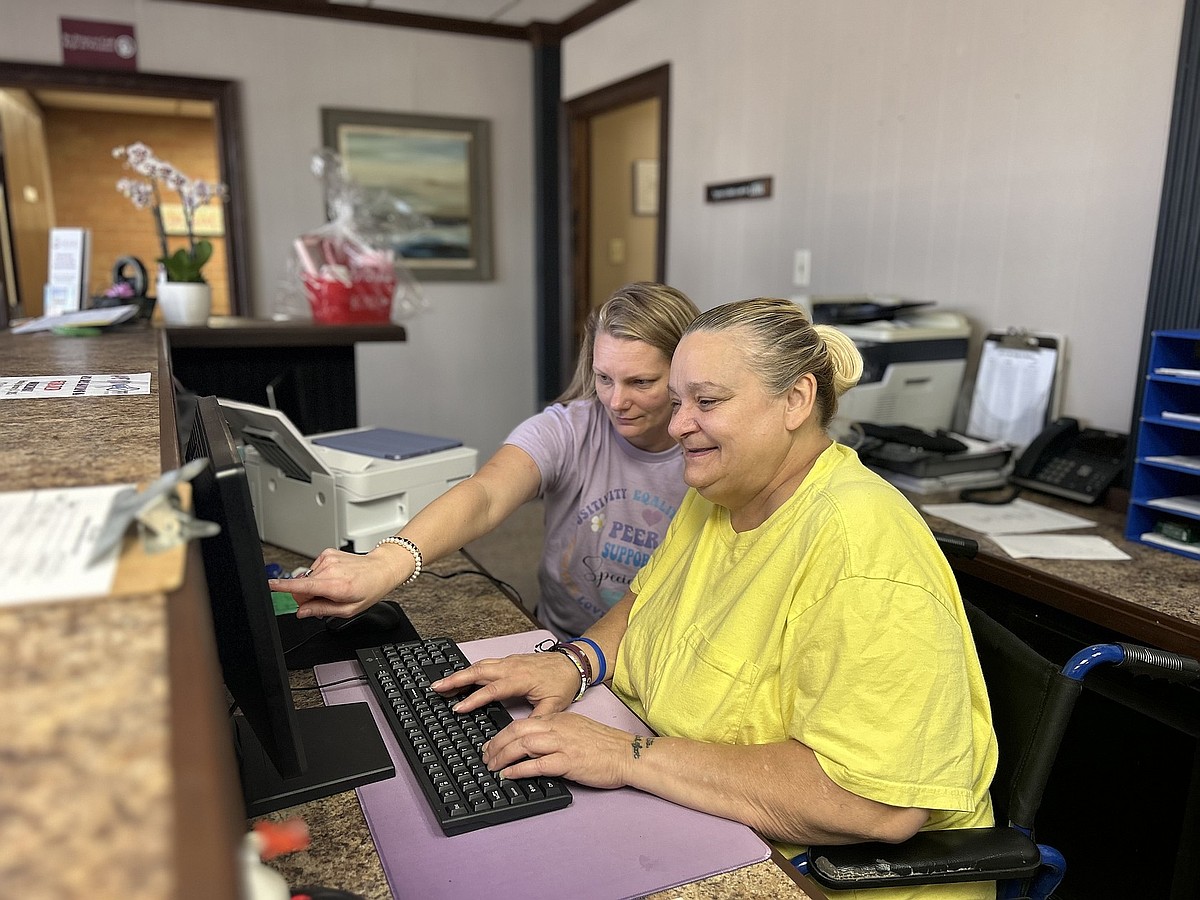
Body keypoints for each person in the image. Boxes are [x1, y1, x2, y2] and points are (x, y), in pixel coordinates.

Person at [434, 297, 999, 900]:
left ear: (796, 400)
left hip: (809, 875)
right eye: (678, 402)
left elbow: (872, 804)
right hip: (696, 809)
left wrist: (627, 756)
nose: (678, 424)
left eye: (706, 402)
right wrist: (576, 660)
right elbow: (647, 602)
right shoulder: (720, 494)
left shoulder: (861, 553)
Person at [274, 282, 700, 638]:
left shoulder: (708, 451)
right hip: (562, 637)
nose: (617, 401)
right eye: (604, 378)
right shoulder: (570, 427)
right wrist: (385, 562)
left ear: (683, 373)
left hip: (658, 652)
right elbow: (486, 494)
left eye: (641, 382)